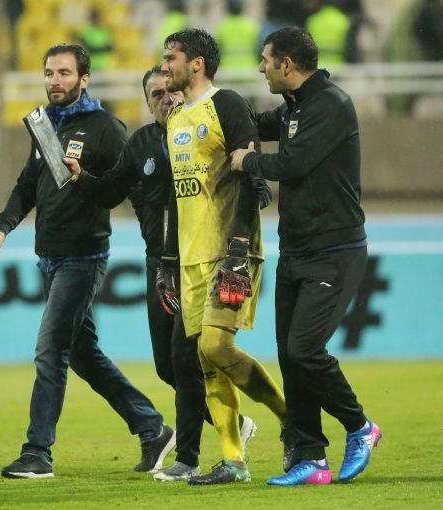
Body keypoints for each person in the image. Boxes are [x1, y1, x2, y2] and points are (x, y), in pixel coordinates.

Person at [64, 66, 264, 482]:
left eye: (170, 90)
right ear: (147, 103)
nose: (166, 98)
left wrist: (246, 215)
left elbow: (248, 182)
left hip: (201, 260)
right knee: (167, 366)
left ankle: (188, 457)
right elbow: (111, 190)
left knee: (185, 356)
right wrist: (83, 179)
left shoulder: (201, 134)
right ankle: (235, 426)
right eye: (156, 94)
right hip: (159, 263)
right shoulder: (141, 144)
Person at [0, 44, 175, 479]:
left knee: (51, 350)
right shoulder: (43, 124)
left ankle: (37, 452)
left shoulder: (106, 128)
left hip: (84, 256)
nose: (55, 81)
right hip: (50, 257)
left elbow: (133, 185)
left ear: (84, 79)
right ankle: (152, 428)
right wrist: (3, 225)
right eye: (49, 73)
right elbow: (28, 184)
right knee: (83, 355)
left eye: (64, 73)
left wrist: (158, 241)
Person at [230, 26, 380, 486]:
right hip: (296, 249)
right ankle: (311, 456)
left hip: (334, 250)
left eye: (265, 60)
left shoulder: (331, 105)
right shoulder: (295, 107)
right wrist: (208, 109)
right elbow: (254, 123)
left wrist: (246, 161)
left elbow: (291, 164)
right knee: (290, 357)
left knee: (305, 350)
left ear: (287, 65)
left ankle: (359, 425)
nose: (261, 68)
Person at [158, 28, 288, 485]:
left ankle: (292, 419)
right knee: (207, 360)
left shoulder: (228, 104)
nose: (164, 66)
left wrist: (238, 248)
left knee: (216, 346)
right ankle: (234, 462)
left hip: (230, 251)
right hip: (191, 258)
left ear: (196, 63)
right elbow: (176, 196)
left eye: (171, 58)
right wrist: (168, 262)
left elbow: (251, 178)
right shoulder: (175, 119)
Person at [215, 0, 261, 69]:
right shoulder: (251, 25)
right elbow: (259, 48)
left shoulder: (222, 26)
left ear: (228, 8)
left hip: (227, 67)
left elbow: (217, 48)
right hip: (249, 67)